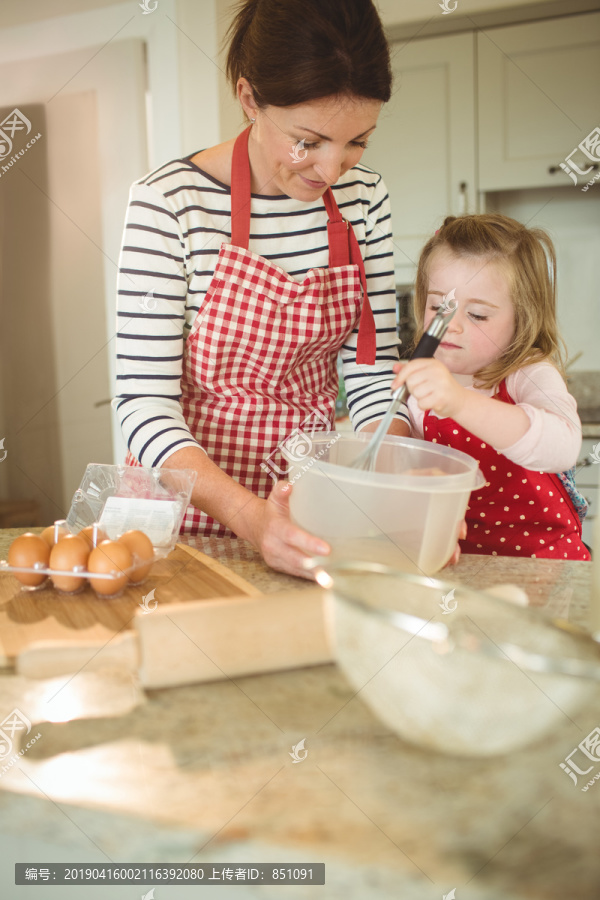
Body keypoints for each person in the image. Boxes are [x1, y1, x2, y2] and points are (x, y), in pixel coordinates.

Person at [115, 0, 410, 578]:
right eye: (308, 140)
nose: (331, 169)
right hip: (179, 527)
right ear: (250, 99)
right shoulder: (170, 204)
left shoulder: (365, 200)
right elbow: (143, 405)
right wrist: (250, 518)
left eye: (358, 142)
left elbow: (375, 375)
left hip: (310, 516)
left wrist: (390, 477)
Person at [392, 213, 590, 561]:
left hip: (547, 565)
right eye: (439, 306)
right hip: (464, 565)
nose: (449, 326)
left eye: (478, 315)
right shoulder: (422, 388)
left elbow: (562, 445)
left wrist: (459, 402)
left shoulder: (527, 373)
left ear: (522, 319)